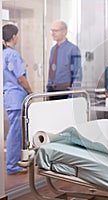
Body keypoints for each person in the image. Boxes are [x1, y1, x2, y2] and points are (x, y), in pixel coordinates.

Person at [3, 24, 33, 175]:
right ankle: (12, 166)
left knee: (17, 130)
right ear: (14, 36)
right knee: (15, 132)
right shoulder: (12, 55)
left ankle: (15, 162)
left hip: (10, 96)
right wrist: (31, 92)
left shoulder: (4, 54)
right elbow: (20, 78)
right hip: (16, 96)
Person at [47, 20, 82, 100]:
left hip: (65, 91)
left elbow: (77, 74)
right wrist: (48, 91)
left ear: (64, 32)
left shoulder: (73, 49)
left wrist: (72, 94)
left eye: (55, 30)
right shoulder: (53, 49)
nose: (53, 33)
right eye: (51, 30)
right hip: (52, 90)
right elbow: (51, 71)